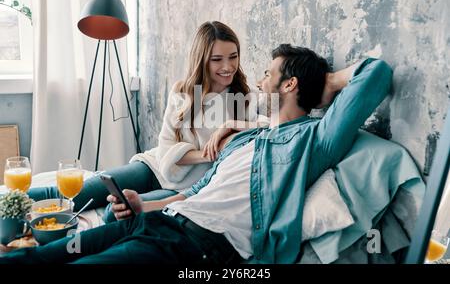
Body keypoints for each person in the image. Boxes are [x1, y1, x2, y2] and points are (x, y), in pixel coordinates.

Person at [0, 44, 393, 264]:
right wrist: (142, 207)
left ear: (290, 83)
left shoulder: (314, 140)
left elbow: (375, 74)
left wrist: (326, 83)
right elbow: (191, 195)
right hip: (158, 223)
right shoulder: (243, 138)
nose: (258, 80)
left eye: (269, 75)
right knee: (42, 256)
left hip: (196, 247)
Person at [27, 21, 268, 222]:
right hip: (153, 166)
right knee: (74, 192)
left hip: (184, 187)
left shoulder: (246, 98)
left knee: (115, 213)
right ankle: (11, 205)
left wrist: (229, 126)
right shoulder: (183, 91)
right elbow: (165, 149)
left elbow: (272, 126)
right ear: (202, 60)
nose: (228, 67)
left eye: (233, 57)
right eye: (217, 59)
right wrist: (209, 153)